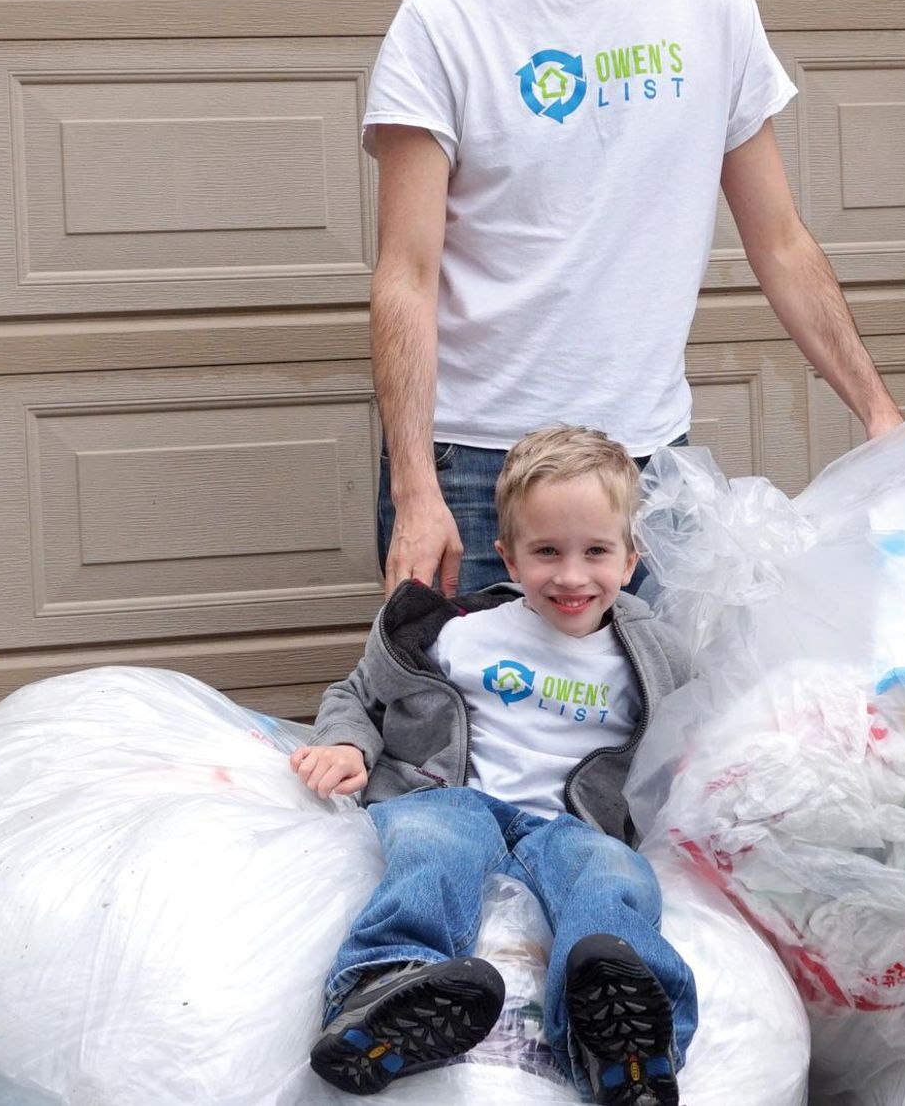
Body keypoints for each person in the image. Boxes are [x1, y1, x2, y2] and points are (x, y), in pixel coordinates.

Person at [367, 0, 905, 599]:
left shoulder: (711, 9)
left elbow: (780, 242)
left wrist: (879, 412)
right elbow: (405, 275)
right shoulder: (441, 25)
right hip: (477, 469)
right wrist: (415, 485)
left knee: (664, 731)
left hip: (648, 471)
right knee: (471, 737)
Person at [294, 426, 695, 1106]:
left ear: (632, 559)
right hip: (458, 796)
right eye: (546, 552)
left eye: (596, 551)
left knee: (616, 873)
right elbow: (357, 693)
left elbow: (699, 736)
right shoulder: (458, 632)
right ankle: (384, 985)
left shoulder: (656, 657)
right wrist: (347, 744)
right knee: (436, 841)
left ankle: (625, 1036)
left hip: (565, 827)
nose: (571, 575)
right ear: (507, 554)